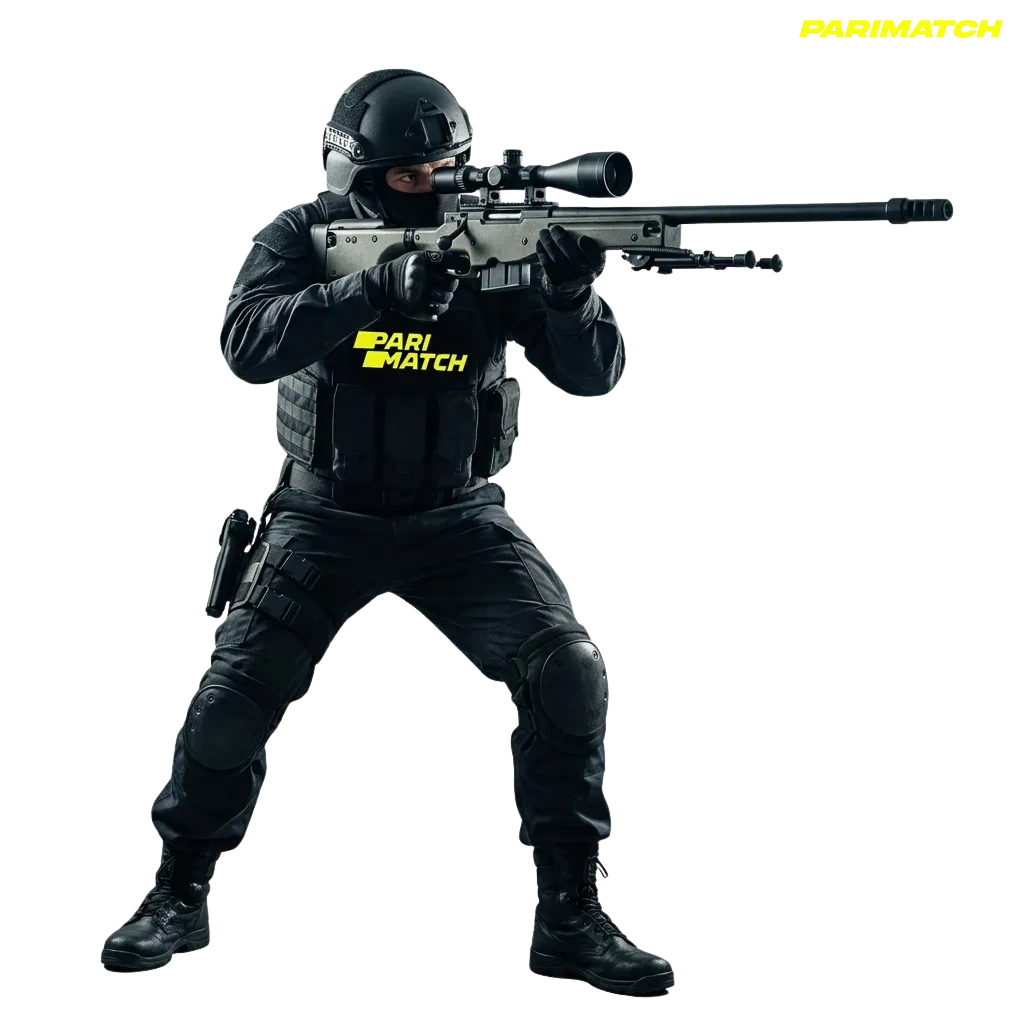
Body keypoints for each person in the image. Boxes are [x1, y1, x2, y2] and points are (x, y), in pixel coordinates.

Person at [101, 68, 672, 996]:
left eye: (448, 170)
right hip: (324, 515)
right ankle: (178, 893)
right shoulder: (301, 235)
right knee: (232, 697)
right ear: (359, 177)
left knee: (566, 669)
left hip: (460, 519)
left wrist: (570, 295)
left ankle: (572, 918)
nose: (435, 188)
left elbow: (594, 379)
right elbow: (247, 347)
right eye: (411, 176)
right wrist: (373, 291)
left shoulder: (499, 239)